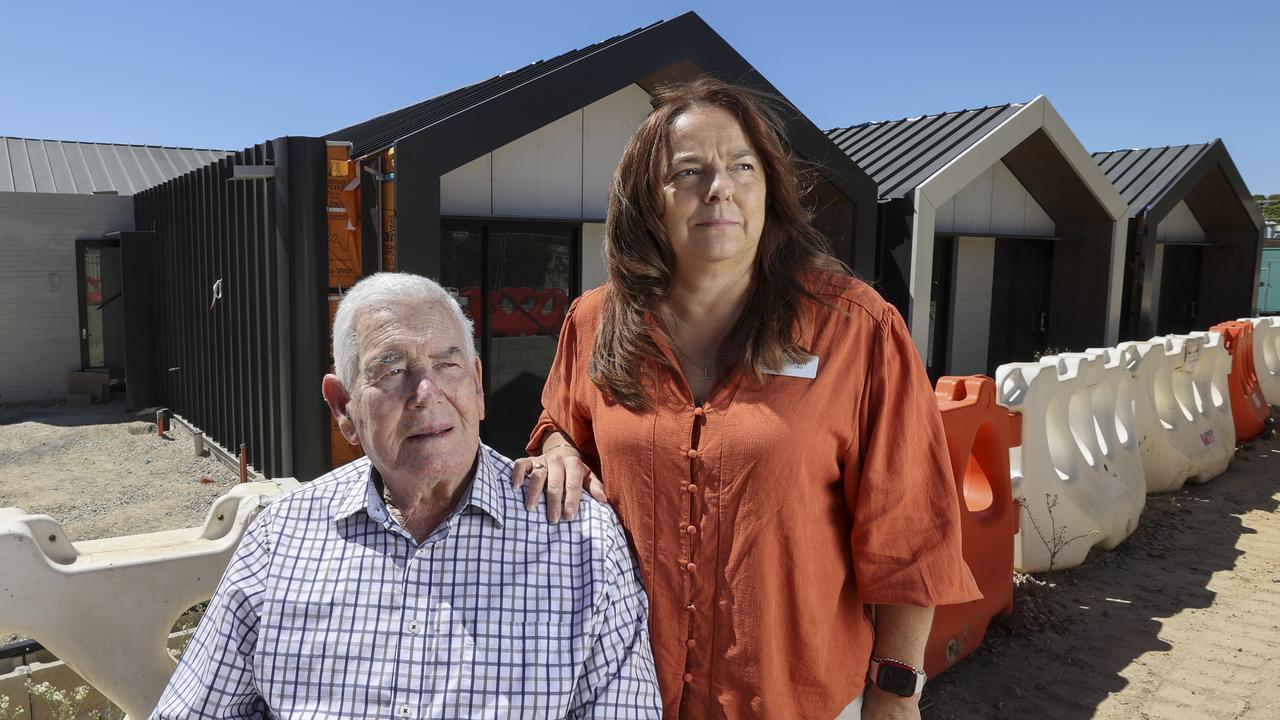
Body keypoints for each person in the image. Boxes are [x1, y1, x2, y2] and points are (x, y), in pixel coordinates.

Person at [514, 78, 981, 720]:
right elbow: (560, 425)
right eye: (689, 170)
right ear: (647, 200)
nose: (719, 188)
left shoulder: (855, 329)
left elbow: (912, 532)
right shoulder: (595, 323)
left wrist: (895, 694)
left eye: (741, 165)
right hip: (625, 697)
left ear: (770, 189)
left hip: (799, 700)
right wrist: (559, 448)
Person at [153, 273, 661, 719]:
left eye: (448, 365)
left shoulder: (580, 542)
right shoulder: (281, 537)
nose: (426, 393)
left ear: (479, 386)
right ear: (343, 407)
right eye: (392, 371)